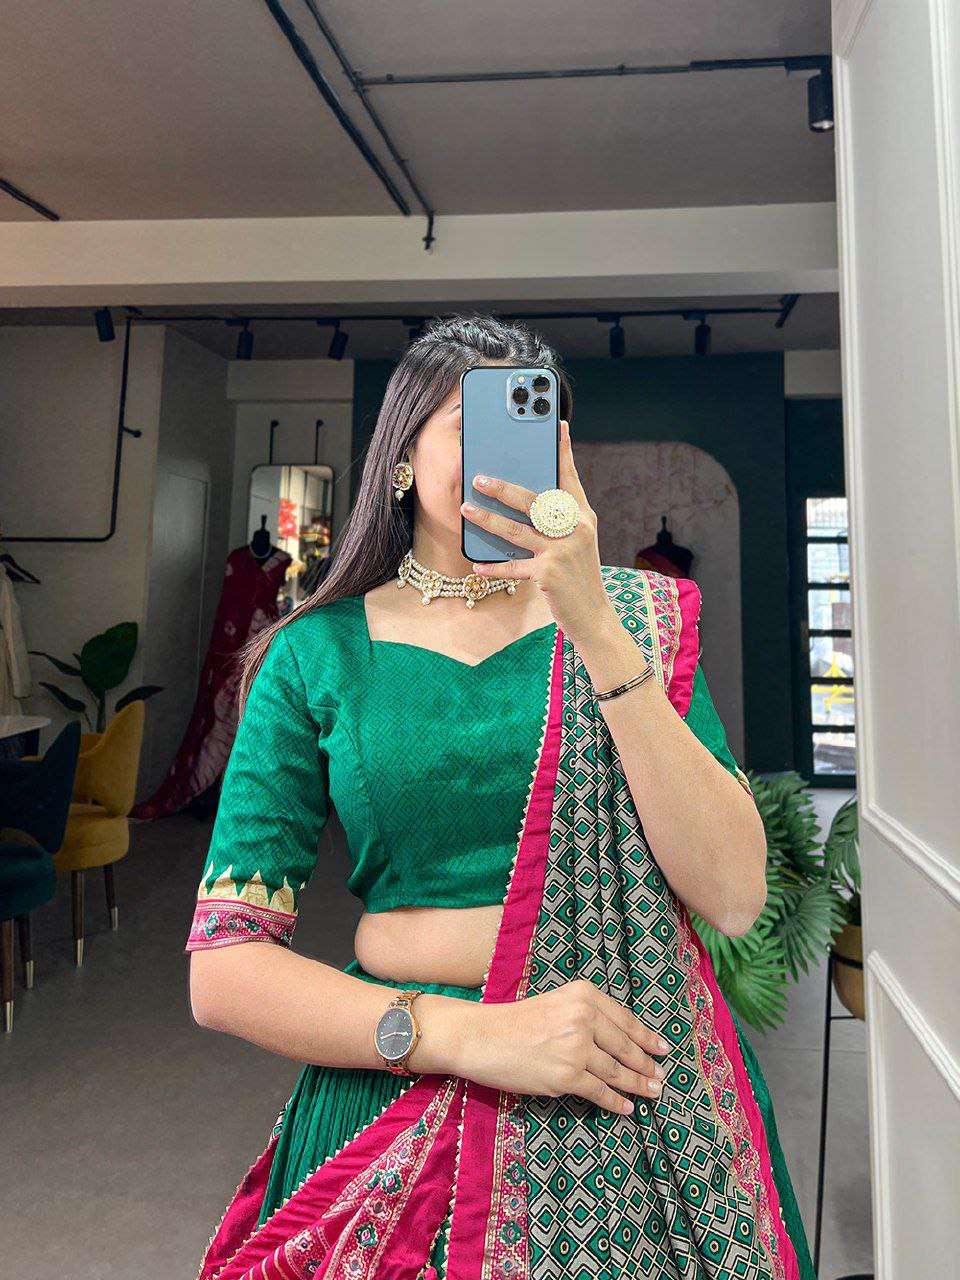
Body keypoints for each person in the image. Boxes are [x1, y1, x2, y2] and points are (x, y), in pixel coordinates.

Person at [185, 315, 816, 1280]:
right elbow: (225, 971)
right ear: (401, 457)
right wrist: (466, 1035)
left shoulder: (634, 620)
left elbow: (734, 895)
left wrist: (592, 623)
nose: (500, 455)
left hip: (635, 1082)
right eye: (466, 423)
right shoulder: (317, 653)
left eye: (528, 427)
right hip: (408, 1074)